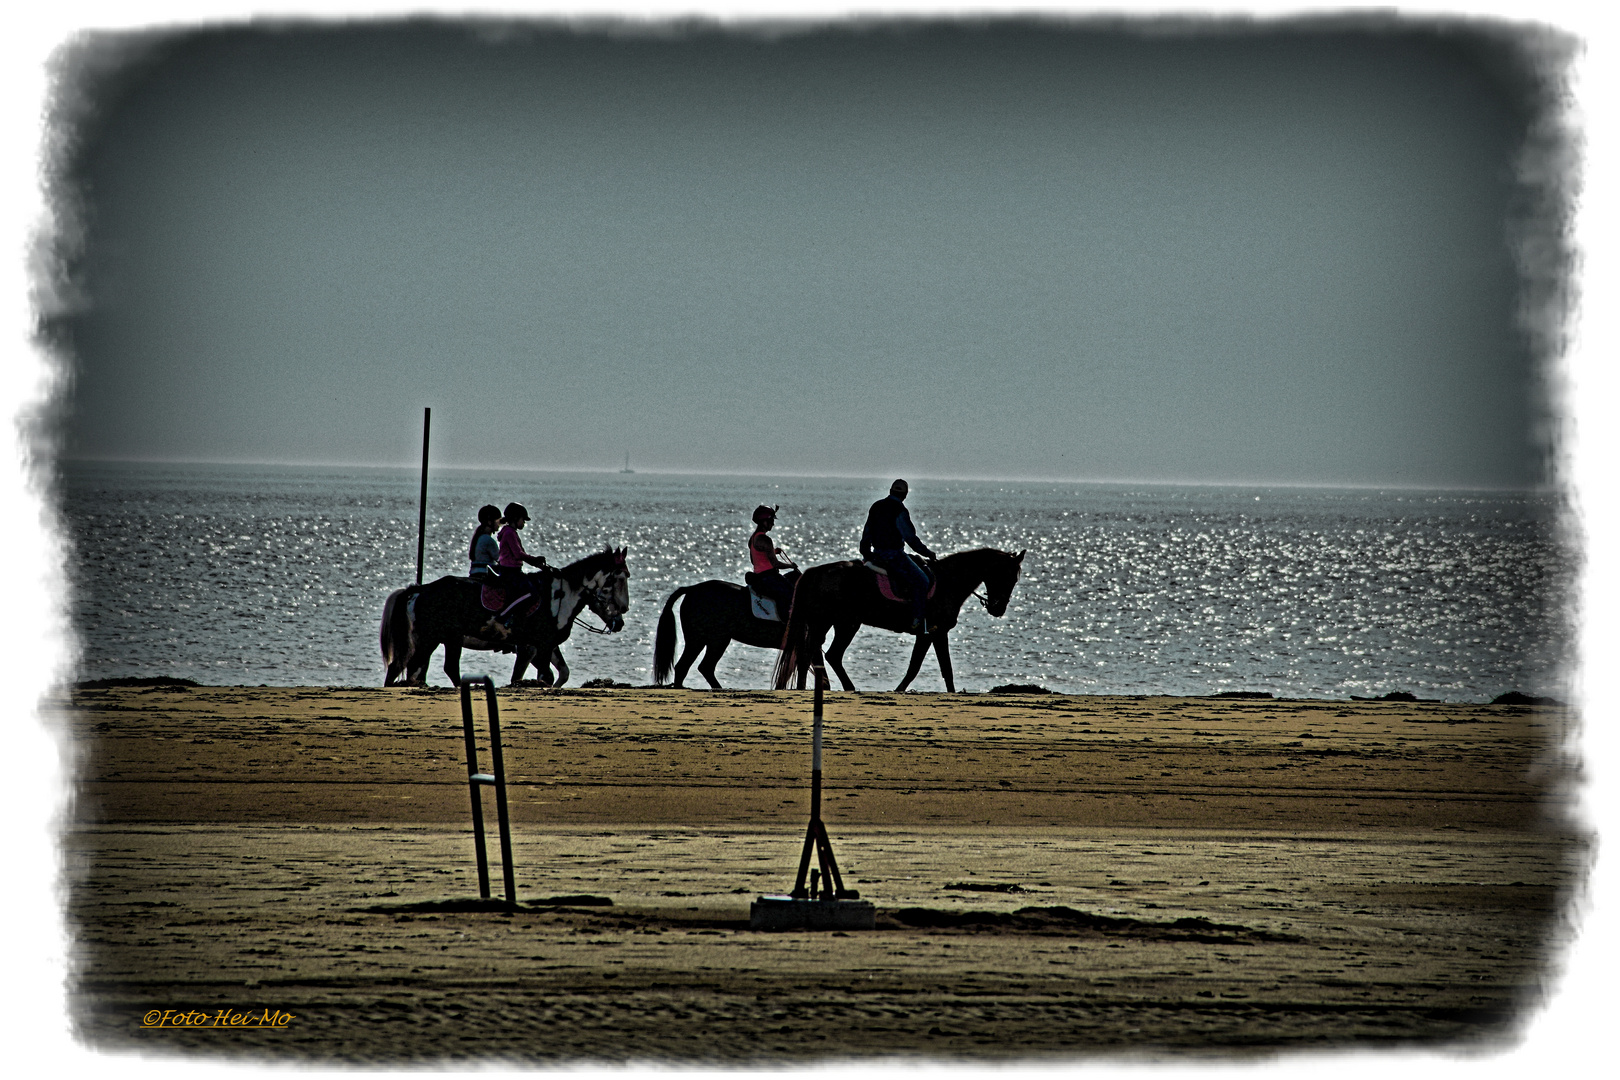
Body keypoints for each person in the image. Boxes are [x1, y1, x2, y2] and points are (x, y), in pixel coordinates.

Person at [859, 479, 937, 634]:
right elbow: (910, 538)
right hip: (894, 556)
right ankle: (917, 621)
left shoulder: (876, 506)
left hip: (876, 554)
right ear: (905, 495)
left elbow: (866, 533)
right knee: (922, 581)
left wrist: (866, 554)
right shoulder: (899, 510)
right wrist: (928, 553)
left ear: (890, 491)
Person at [495, 502, 550, 615]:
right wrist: (535, 560)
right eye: (523, 519)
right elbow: (518, 554)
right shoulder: (509, 533)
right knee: (531, 594)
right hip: (510, 573)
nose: (524, 522)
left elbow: (521, 553)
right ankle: (502, 617)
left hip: (513, 571)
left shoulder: (511, 532)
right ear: (515, 518)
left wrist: (538, 565)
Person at [746, 504, 799, 609]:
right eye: (771, 521)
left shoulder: (753, 538)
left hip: (759, 576)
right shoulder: (766, 540)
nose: (773, 524)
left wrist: (773, 552)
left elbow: (754, 560)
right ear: (764, 522)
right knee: (793, 596)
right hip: (769, 577)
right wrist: (791, 566)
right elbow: (775, 564)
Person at [467, 505, 502, 584]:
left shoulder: (479, 537)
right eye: (498, 521)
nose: (499, 525)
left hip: (473, 573)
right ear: (490, 522)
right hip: (484, 574)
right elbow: (500, 559)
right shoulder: (488, 540)